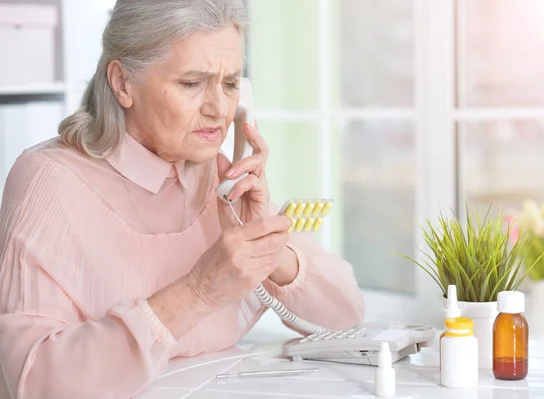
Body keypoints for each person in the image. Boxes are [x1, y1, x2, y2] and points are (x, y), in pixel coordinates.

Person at [0, 1, 365, 397]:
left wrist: (268, 248)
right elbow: (32, 380)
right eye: (192, 84)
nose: (219, 110)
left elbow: (348, 317)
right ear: (123, 83)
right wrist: (199, 291)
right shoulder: (48, 180)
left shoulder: (221, 176)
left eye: (230, 84)